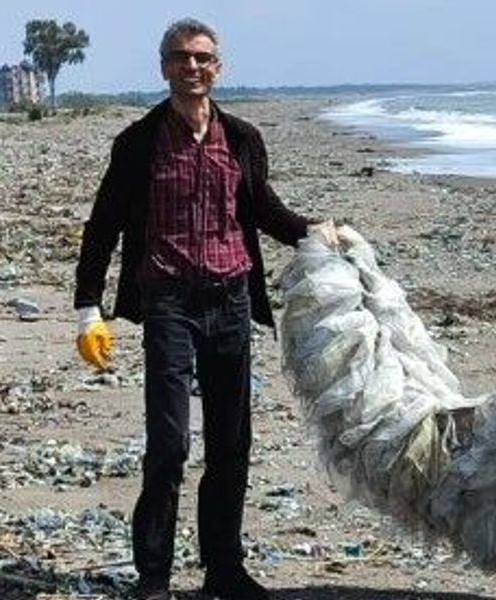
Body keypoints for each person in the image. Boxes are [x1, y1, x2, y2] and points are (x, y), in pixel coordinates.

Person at [73, 18, 336, 600]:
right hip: (168, 303)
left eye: (203, 58)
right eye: (181, 57)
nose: (192, 67)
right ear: (164, 66)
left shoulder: (242, 139)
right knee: (169, 445)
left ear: (219, 67)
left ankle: (224, 569)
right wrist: (87, 310)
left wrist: (317, 233)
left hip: (232, 302)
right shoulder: (137, 143)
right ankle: (155, 577)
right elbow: (102, 229)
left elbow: (264, 209)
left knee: (231, 443)